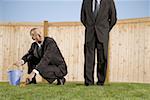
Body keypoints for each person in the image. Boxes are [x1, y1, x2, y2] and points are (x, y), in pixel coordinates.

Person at [81, 0, 117, 86]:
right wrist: (90, 27)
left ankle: (101, 81)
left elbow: (113, 19)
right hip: (90, 34)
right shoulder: (86, 1)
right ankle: (89, 82)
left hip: (102, 34)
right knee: (89, 59)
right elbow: (83, 18)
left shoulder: (109, 1)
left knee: (102, 58)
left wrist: (105, 30)